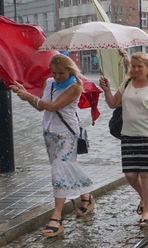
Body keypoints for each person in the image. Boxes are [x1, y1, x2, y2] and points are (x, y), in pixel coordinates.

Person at [10, 55, 95, 237]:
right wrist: (25, 94)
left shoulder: (75, 86)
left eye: (61, 73)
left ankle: (57, 216)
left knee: (59, 170)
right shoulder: (49, 82)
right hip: (50, 132)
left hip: (66, 134)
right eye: (54, 72)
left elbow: (53, 106)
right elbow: (41, 107)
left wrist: (29, 96)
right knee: (64, 167)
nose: (57, 76)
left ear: (70, 71)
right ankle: (86, 196)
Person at [100, 52, 148, 228]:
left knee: (146, 173)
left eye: (140, 66)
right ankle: (145, 198)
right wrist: (107, 90)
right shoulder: (128, 82)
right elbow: (114, 103)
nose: (136, 70)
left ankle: (147, 209)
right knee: (130, 174)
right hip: (129, 134)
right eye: (134, 66)